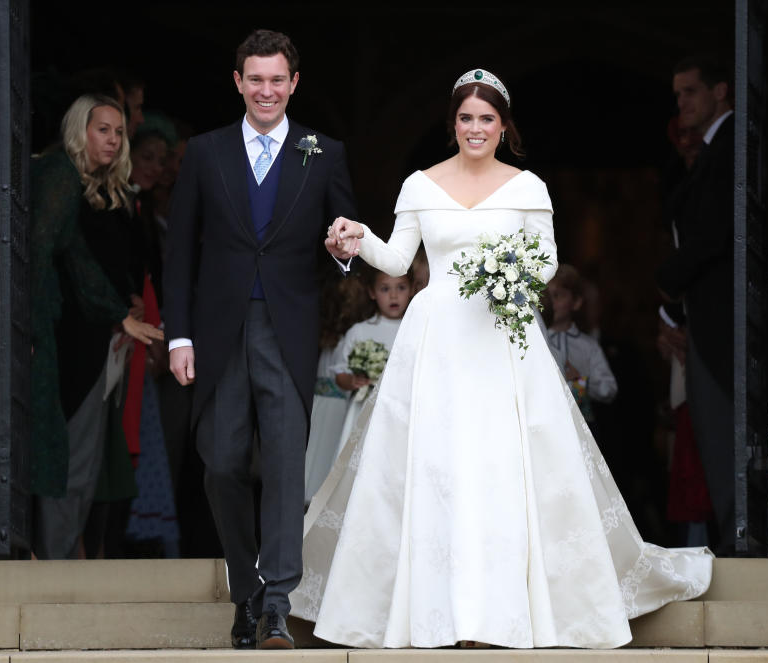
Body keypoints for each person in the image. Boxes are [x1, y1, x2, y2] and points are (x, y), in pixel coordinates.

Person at [298, 69, 713, 649]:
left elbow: (544, 263)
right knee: (434, 468)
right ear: (454, 124)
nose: (475, 128)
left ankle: (498, 613)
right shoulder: (421, 184)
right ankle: (433, 613)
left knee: (500, 467)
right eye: (466, 118)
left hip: (500, 335)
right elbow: (396, 261)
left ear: (503, 126)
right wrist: (356, 238)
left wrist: (510, 276)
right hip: (437, 339)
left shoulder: (527, 187)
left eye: (486, 119)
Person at [162, 29, 358, 649]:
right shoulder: (205, 152)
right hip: (218, 332)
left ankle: (276, 604)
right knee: (221, 463)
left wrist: (341, 250)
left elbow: (344, 240)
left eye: (278, 79)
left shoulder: (324, 153)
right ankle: (245, 588)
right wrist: (178, 337)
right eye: (256, 79)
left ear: (293, 84)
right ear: (239, 82)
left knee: (282, 466)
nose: (267, 90)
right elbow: (178, 253)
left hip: (288, 329)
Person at [29, 93, 164, 560]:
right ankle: (53, 564)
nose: (111, 139)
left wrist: (122, 312)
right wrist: (116, 312)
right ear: (78, 131)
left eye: (118, 131)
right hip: (70, 341)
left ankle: (60, 559)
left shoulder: (108, 191)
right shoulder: (59, 177)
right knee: (69, 459)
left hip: (104, 339)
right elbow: (58, 260)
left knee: (84, 463)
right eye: (101, 129)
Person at [656, 54, 735, 555]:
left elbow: (711, 233)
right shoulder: (713, 150)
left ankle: (736, 547)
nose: (681, 103)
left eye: (690, 91)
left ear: (720, 91)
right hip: (703, 316)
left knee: (724, 439)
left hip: (725, 321)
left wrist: (666, 288)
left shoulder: (729, 148)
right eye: (677, 93)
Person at [304, 275, 374, 504]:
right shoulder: (345, 339)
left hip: (331, 405)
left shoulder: (347, 337)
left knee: (325, 453)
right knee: (321, 453)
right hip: (331, 405)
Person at [331, 267, 412, 459]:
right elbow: (339, 373)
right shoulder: (360, 331)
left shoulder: (415, 331)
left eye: (401, 287)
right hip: (364, 409)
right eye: (385, 289)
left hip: (402, 410)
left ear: (412, 290)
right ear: (372, 293)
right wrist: (351, 382)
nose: (394, 295)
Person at [543, 264, 617, 425]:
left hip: (581, 425)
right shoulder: (540, 343)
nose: (552, 303)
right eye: (548, 297)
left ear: (576, 302)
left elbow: (609, 389)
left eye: (558, 296)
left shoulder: (588, 346)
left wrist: (581, 381)